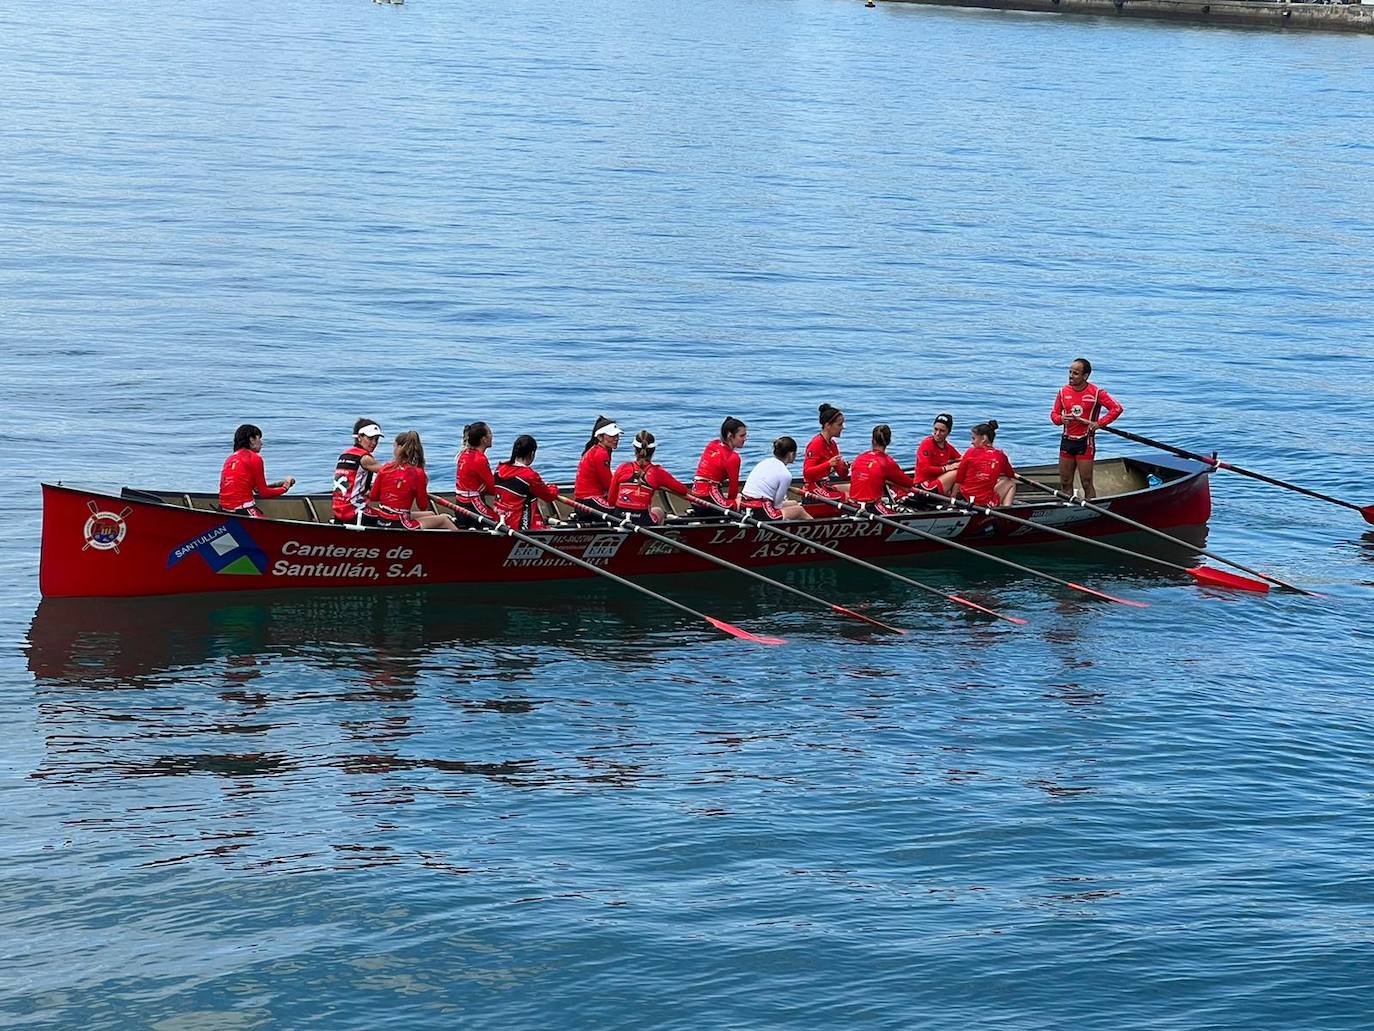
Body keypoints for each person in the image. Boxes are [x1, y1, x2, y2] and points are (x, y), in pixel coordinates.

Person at [1051, 357, 1123, 500]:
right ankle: (1067, 509)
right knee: (1065, 482)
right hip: (1067, 441)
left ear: (1085, 376)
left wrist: (1099, 423)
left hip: (1085, 442)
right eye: (1070, 372)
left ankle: (1091, 507)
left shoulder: (1096, 392)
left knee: (1086, 482)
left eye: (1076, 373)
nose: (1071, 376)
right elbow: (1054, 415)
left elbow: (1116, 409)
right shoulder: (1063, 391)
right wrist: (1061, 419)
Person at [367, 430, 458, 530]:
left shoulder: (385, 469)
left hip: (382, 519)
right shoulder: (418, 473)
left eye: (394, 446)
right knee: (444, 520)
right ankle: (463, 544)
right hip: (399, 522)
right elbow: (422, 506)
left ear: (399, 448)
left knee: (431, 514)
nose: (393, 449)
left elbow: (373, 497)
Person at [607, 430, 690, 525]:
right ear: (653, 451)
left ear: (635, 450)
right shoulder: (657, 472)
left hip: (618, 519)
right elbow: (683, 490)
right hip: (643, 521)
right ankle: (654, 538)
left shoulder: (622, 468)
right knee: (659, 511)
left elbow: (611, 500)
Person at [219, 423, 296, 518]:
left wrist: (277, 485)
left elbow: (256, 489)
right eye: (259, 438)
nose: (262, 443)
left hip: (223, 510)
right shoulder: (255, 458)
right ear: (251, 440)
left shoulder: (230, 459)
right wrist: (285, 487)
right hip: (242, 510)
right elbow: (264, 493)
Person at [493, 435, 560, 531]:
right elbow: (549, 496)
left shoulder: (499, 469)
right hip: (520, 528)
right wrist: (553, 487)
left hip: (498, 521)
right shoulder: (529, 476)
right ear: (532, 454)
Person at [740, 436, 812, 521]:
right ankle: (816, 530)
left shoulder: (764, 462)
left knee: (794, 503)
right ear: (791, 454)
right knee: (799, 510)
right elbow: (777, 505)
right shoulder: (785, 474)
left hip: (743, 506)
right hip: (760, 510)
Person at [849, 424, 917, 513]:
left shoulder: (859, 458)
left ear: (872, 440)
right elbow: (909, 483)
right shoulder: (887, 462)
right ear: (888, 442)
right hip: (870, 507)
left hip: (851, 505)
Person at [688, 416, 748, 517]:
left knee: (735, 497)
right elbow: (733, 488)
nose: (745, 439)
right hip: (708, 496)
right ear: (730, 435)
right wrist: (734, 506)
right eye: (742, 436)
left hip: (695, 495)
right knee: (741, 502)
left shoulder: (712, 444)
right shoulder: (733, 457)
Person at [332, 419, 385, 524]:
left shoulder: (344, 455)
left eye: (376, 439)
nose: (374, 443)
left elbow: (353, 482)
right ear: (359, 437)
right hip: (355, 511)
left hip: (339, 510)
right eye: (370, 438)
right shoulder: (365, 458)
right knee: (391, 517)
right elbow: (392, 473)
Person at [572, 415, 622, 522]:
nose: (616, 438)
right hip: (589, 501)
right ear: (600, 437)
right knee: (624, 511)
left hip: (583, 501)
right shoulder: (601, 453)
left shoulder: (598, 450)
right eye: (612, 436)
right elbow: (608, 484)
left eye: (617, 435)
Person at [955, 420, 1016, 508]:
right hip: (983, 503)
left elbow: (959, 478)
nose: (972, 442)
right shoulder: (1001, 456)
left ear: (983, 438)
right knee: (1010, 483)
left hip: (966, 498)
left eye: (974, 438)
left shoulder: (969, 452)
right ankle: (1006, 511)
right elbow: (1010, 474)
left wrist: (952, 498)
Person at [801, 403, 849, 504]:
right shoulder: (816, 444)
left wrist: (845, 467)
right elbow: (807, 473)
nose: (842, 428)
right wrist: (828, 464)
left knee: (855, 489)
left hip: (824, 486)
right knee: (849, 497)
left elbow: (842, 475)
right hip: (813, 489)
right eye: (839, 424)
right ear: (828, 425)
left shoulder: (832, 444)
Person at [453, 421, 497, 522]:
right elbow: (493, 489)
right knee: (502, 521)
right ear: (484, 440)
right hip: (472, 507)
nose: (492, 435)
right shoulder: (480, 459)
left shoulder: (464, 454)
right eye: (489, 433)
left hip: (460, 505)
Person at [914, 412, 961, 497]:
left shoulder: (947, 447)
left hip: (936, 483)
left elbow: (961, 459)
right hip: (924, 487)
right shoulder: (927, 444)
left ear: (948, 432)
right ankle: (952, 499)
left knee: (964, 467)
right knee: (957, 472)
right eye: (936, 429)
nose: (937, 433)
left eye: (942, 431)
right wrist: (946, 468)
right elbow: (925, 469)